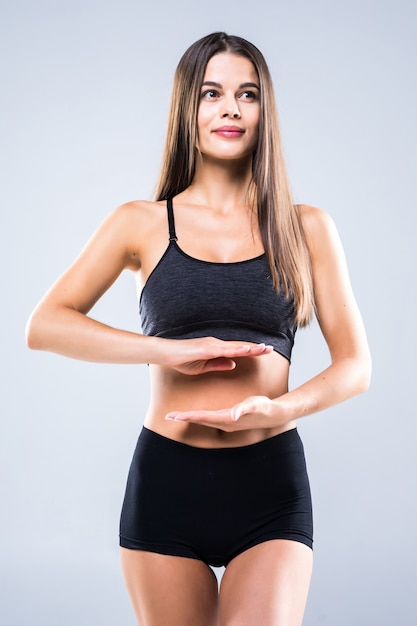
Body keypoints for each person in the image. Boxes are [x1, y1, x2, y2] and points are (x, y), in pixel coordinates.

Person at [26, 31, 371, 626]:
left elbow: (355, 366)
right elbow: (46, 325)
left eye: (247, 94)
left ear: (265, 112)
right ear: (188, 108)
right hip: (167, 479)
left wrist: (280, 410)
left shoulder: (306, 226)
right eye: (212, 93)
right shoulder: (140, 222)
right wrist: (166, 350)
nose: (231, 108)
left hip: (269, 479)